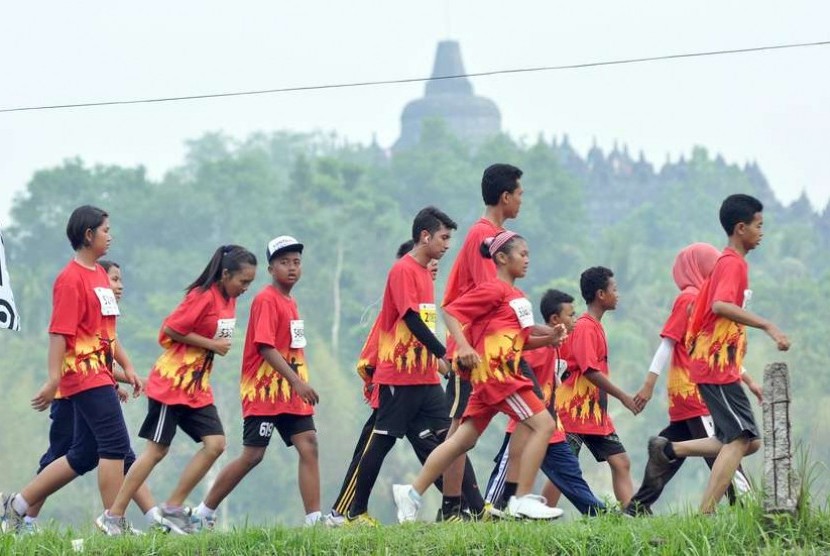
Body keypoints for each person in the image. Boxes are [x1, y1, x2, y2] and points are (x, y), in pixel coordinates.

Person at [393, 231, 566, 522]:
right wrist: (463, 346)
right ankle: (521, 498)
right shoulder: (494, 289)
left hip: (498, 375)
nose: (527, 260)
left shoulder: (518, 297)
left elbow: (520, 341)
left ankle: (411, 492)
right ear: (501, 258)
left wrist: (549, 340)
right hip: (499, 376)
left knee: (462, 441)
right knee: (544, 424)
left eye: (528, 255)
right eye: (521, 254)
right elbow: (450, 311)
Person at [97, 245, 257, 534]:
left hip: (197, 388)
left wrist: (213, 348)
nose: (245, 288)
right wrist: (212, 345)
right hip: (171, 384)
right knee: (156, 451)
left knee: (216, 444)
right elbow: (170, 329)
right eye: (242, 281)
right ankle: (113, 515)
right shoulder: (202, 296)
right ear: (225, 274)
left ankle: (172, 507)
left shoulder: (228, 299)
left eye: (249, 283)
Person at [646, 194, 790, 514]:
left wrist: (747, 378)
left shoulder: (731, 263)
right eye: (758, 225)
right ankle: (705, 512)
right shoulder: (732, 264)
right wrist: (767, 325)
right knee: (740, 439)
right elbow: (721, 306)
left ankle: (669, 448)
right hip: (714, 366)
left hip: (720, 365)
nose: (761, 232)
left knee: (745, 440)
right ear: (741, 228)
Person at [1, 206, 141, 534]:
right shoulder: (70, 278)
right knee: (115, 445)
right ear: (88, 234)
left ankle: (17, 505)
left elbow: (107, 334)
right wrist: (53, 380)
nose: (111, 236)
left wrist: (127, 368)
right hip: (82, 374)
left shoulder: (98, 277)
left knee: (85, 453)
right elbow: (59, 333)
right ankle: (113, 521)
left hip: (101, 374)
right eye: (105, 230)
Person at [343, 207, 466, 524]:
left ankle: (461, 510)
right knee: (381, 442)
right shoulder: (402, 270)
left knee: (454, 436)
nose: (447, 245)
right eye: (443, 237)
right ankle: (354, 512)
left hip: (425, 379)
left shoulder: (426, 274)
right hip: (399, 376)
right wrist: (443, 354)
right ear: (425, 236)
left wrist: (441, 365)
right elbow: (411, 319)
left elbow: (425, 321)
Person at [191, 236, 322, 528]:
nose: (292, 268)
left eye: (296, 262)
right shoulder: (266, 299)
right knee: (253, 455)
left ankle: (315, 520)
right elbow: (265, 346)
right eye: (284, 263)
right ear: (271, 268)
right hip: (264, 392)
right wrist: (299, 383)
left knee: (309, 443)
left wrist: (298, 384)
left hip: (290, 393)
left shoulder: (291, 301)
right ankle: (204, 513)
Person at [22, 260, 157, 533]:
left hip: (93, 385)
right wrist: (55, 381)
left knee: (112, 452)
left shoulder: (104, 312)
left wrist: (118, 379)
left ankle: (151, 518)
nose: (119, 286)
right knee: (65, 454)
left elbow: (103, 350)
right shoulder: (78, 287)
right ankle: (22, 516)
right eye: (115, 279)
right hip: (70, 393)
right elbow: (73, 345)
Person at [625, 243, 755, 515]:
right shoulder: (690, 298)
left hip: (687, 391)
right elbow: (668, 343)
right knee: (730, 446)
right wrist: (648, 384)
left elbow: (715, 348)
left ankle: (637, 507)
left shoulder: (703, 300)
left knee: (668, 451)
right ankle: (749, 505)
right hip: (695, 392)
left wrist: (748, 379)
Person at [485, 289, 605, 516]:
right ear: (555, 320)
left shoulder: (557, 345)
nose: (575, 319)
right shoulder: (535, 349)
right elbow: (517, 381)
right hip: (525, 427)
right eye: (571, 315)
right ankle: (486, 521)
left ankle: (601, 514)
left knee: (571, 475)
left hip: (551, 429)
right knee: (503, 482)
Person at [555, 267, 640, 508]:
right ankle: (541, 516)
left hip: (593, 414)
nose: (618, 294)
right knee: (564, 468)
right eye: (614, 289)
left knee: (621, 461)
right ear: (601, 294)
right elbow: (589, 369)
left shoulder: (595, 325)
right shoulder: (584, 326)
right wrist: (623, 396)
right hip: (573, 410)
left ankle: (631, 516)